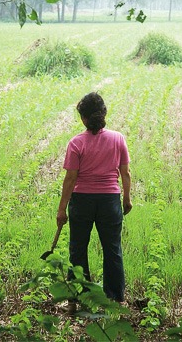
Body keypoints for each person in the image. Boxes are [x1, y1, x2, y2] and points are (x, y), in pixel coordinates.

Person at [56, 92, 132, 306]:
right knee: (112, 249)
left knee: (78, 249)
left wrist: (62, 210)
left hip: (82, 202)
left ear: (83, 118)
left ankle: (77, 299)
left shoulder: (76, 143)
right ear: (104, 113)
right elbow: (125, 173)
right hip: (110, 201)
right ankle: (115, 298)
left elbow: (70, 179)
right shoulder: (118, 139)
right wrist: (126, 198)